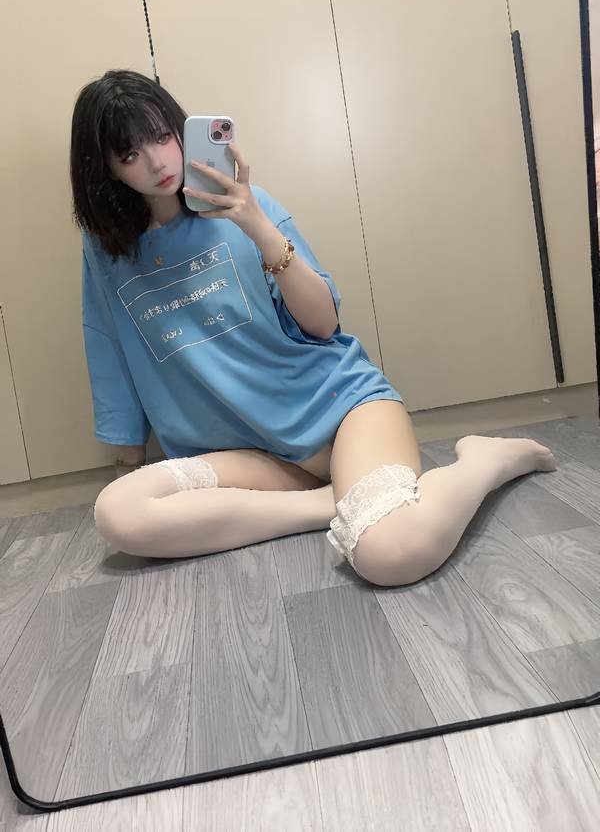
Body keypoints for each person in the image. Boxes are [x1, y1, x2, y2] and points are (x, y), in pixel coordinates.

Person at [70, 69, 557, 586]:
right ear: (107, 170)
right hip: (248, 453)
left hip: (339, 412)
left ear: (179, 128)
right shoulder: (107, 252)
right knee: (119, 512)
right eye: (130, 154)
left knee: (392, 553)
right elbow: (108, 346)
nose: (157, 162)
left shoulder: (249, 207)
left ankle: (483, 462)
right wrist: (129, 460)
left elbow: (324, 325)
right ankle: (332, 504)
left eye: (162, 137)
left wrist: (256, 225)